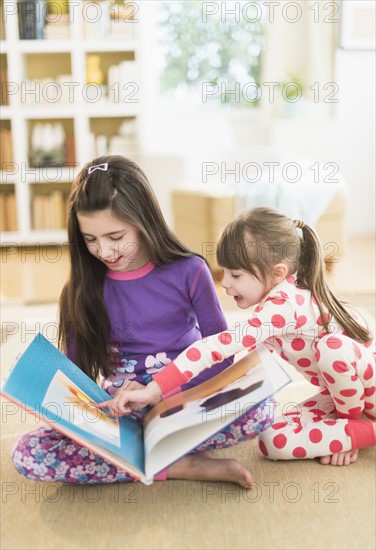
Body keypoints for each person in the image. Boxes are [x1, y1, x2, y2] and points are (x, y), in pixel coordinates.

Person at [12, 157, 274, 488]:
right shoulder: (82, 289)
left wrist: (159, 390)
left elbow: (220, 353)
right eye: (90, 239)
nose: (104, 250)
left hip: (184, 395)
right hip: (123, 408)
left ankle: (144, 454)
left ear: (143, 220)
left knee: (262, 409)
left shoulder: (190, 271)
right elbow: (74, 376)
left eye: (115, 235)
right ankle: (175, 464)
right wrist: (38, 382)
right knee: (28, 453)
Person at [112, 206, 376, 467]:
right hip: (341, 396)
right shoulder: (269, 310)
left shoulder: (284, 306)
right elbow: (243, 367)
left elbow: (213, 348)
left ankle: (354, 428)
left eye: (235, 274)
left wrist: (153, 390)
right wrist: (178, 397)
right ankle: (359, 431)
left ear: (278, 273)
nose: (224, 282)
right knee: (272, 439)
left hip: (366, 392)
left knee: (333, 347)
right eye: (224, 272)